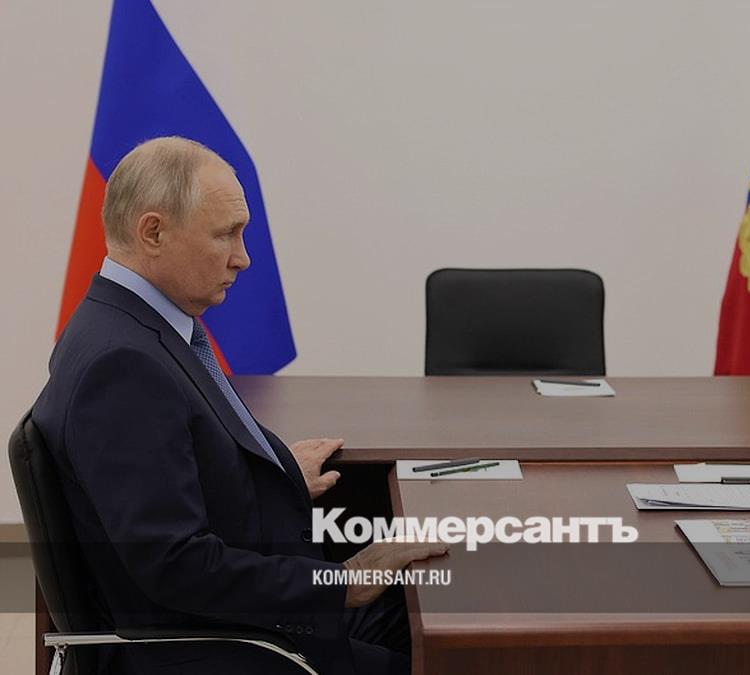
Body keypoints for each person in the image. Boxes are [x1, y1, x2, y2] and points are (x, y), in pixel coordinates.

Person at [32, 137, 445, 675]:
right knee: (454, 645)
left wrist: (275, 474)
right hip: (217, 646)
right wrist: (343, 581)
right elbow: (175, 564)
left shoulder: (131, 324)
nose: (243, 258)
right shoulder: (123, 364)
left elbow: (172, 474)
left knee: (428, 612)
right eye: (225, 233)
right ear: (153, 232)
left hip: (242, 617)